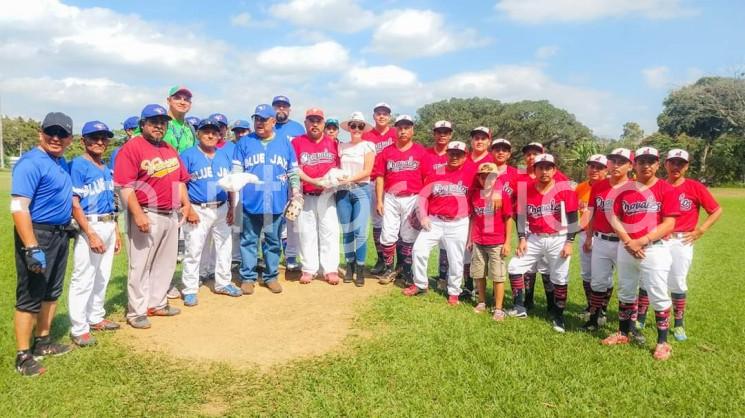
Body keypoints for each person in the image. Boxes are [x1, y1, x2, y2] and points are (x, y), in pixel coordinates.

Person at [114, 104, 192, 329]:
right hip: (146, 212)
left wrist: (186, 204)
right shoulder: (132, 147)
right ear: (143, 124)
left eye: (163, 123)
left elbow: (179, 180)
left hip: (170, 213)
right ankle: (136, 311)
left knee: (165, 263)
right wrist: (137, 214)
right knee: (140, 265)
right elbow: (124, 186)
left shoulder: (169, 148)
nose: (159, 126)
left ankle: (156, 303)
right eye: (153, 122)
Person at [11, 112, 75, 376]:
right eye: (51, 132)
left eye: (62, 134)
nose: (56, 138)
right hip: (39, 234)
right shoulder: (31, 162)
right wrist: (31, 246)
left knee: (51, 291)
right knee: (31, 295)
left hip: (60, 234)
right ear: (41, 133)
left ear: (70, 138)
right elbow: (18, 206)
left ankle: (43, 342)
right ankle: (23, 356)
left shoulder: (60, 162)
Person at [601, 146, 679, 361]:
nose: (646, 165)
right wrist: (628, 241)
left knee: (657, 293)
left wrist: (642, 241)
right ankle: (623, 333)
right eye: (642, 161)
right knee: (626, 291)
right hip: (626, 248)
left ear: (657, 164)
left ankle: (663, 342)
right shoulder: (624, 189)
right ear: (634, 164)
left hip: (654, 249)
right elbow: (613, 217)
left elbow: (670, 223)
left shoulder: (666, 189)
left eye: (650, 161)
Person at [233, 104, 300, 295]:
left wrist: (295, 192)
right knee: (248, 241)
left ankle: (271, 277)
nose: (259, 123)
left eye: (263, 119)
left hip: (276, 202)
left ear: (273, 121)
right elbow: (237, 173)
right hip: (250, 200)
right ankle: (248, 277)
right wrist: (235, 200)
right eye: (256, 119)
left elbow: (292, 171)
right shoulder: (244, 142)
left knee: (272, 241)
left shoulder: (285, 143)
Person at [507, 154, 579, 333]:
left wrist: (569, 242)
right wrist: (522, 238)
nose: (544, 171)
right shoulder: (526, 189)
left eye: (548, 167)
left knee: (559, 278)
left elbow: (572, 218)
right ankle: (519, 307)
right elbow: (521, 217)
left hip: (558, 237)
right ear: (535, 169)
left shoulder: (564, 189)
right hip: (535, 237)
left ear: (554, 170)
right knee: (514, 267)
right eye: (541, 167)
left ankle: (558, 316)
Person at [68, 121, 122, 348]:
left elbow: (112, 203)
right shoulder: (78, 166)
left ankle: (96, 316)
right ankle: (79, 328)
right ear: (84, 141)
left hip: (108, 223)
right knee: (83, 278)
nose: (100, 142)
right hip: (89, 225)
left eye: (104, 138)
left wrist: (116, 231)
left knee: (103, 275)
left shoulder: (106, 166)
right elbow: (74, 203)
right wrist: (89, 233)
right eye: (94, 137)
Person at [179, 117, 241, 306]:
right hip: (198, 208)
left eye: (214, 132)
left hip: (222, 207)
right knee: (194, 249)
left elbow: (231, 184)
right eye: (206, 131)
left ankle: (223, 283)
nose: (210, 135)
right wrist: (187, 208)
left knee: (225, 247)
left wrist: (231, 207)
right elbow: (180, 183)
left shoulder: (224, 155)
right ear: (198, 133)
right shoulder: (187, 155)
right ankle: (190, 288)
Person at [662, 148, 722, 341]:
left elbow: (716, 210)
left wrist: (700, 230)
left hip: (682, 240)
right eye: (672, 162)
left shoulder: (695, 187)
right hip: (660, 240)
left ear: (687, 166)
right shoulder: (659, 186)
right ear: (665, 164)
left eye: (681, 163)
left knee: (678, 281)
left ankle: (679, 324)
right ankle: (641, 318)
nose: (676, 166)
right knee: (651, 278)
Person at [406, 141, 475, 305]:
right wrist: (423, 216)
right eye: (452, 153)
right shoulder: (437, 173)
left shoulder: (472, 174)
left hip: (458, 222)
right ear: (447, 154)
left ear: (465, 156)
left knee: (456, 258)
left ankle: (454, 292)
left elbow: (487, 186)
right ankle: (420, 284)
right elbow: (423, 196)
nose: (455, 157)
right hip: (435, 220)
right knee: (418, 250)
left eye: (459, 154)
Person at [581, 148, 634, 331]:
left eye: (621, 162)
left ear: (630, 165)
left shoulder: (634, 187)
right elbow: (592, 214)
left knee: (627, 284)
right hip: (601, 240)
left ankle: (629, 326)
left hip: (624, 242)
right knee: (598, 281)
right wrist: (588, 236)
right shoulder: (598, 186)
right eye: (613, 161)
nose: (616, 165)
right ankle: (594, 318)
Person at [373, 114, 429, 285]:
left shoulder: (421, 151)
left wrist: (423, 203)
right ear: (395, 130)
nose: (403, 131)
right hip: (391, 197)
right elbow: (380, 177)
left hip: (412, 198)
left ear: (412, 130)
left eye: (407, 128)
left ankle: (405, 271)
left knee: (408, 236)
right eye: (400, 128)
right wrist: (380, 201)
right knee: (388, 234)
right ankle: (389, 269)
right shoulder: (387, 152)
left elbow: (427, 178)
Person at [292, 108, 342, 285]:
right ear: (305, 123)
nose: (315, 124)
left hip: (327, 195)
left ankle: (330, 269)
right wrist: (313, 180)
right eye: (311, 120)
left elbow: (338, 168)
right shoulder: (297, 142)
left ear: (323, 123)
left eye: (318, 121)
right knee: (306, 233)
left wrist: (330, 180)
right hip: (306, 194)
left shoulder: (333, 143)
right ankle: (309, 269)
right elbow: (294, 168)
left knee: (330, 232)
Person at [468, 162, 513, 320]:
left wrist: (507, 242)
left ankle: (499, 308)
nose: (486, 179)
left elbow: (508, 219)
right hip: (479, 240)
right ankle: (481, 302)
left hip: (496, 242)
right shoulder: (475, 194)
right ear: (479, 178)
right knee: (479, 273)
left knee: (497, 276)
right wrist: (470, 239)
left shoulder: (502, 195)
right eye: (483, 176)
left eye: (491, 177)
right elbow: (473, 218)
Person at [337, 112, 375, 286]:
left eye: (360, 126)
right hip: (343, 191)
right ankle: (350, 265)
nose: (356, 129)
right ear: (349, 128)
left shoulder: (368, 146)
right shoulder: (342, 146)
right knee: (347, 231)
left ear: (364, 128)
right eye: (353, 126)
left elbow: (368, 171)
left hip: (361, 189)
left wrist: (350, 179)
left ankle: (360, 268)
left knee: (360, 232)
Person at [271, 95, 305, 272]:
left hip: (292, 178)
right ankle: (271, 257)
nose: (281, 109)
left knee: (292, 220)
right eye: (278, 106)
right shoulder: (268, 126)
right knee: (271, 218)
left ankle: (291, 256)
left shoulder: (297, 128)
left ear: (289, 109)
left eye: (284, 106)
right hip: (273, 179)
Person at [363, 103, 398, 275]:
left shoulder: (396, 133)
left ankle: (396, 261)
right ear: (374, 116)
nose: (382, 116)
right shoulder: (367, 136)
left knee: (394, 223)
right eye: (379, 113)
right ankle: (380, 259)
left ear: (389, 117)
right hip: (372, 181)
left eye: (385, 113)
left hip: (392, 182)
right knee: (377, 222)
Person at [576, 155, 608, 316]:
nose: (594, 170)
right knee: (587, 272)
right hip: (585, 233)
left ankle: (602, 308)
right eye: (591, 166)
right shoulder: (580, 187)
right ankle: (591, 306)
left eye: (599, 167)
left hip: (603, 235)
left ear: (606, 169)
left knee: (603, 275)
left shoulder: (609, 187)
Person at [428, 120, 453, 289]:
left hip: (450, 205)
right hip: (430, 204)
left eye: (446, 132)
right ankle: (413, 274)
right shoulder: (426, 154)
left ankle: (444, 277)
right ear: (434, 134)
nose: (442, 135)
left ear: (450, 135)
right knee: (422, 243)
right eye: (439, 131)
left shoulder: (456, 154)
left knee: (447, 245)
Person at [162, 86, 197, 153]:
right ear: (169, 101)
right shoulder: (158, 123)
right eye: (177, 98)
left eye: (186, 100)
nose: (182, 102)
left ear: (190, 104)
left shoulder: (190, 128)